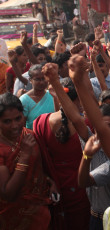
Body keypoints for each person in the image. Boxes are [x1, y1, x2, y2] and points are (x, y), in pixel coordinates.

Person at [34, 70, 91, 229]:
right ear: (79, 99)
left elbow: (39, 158)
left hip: (55, 187)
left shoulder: (41, 122)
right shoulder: (87, 125)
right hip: (83, 187)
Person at [0, 93, 57, 230]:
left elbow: (39, 168)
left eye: (18, 118)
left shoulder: (30, 136)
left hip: (39, 211)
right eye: (7, 121)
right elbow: (8, 193)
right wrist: (25, 155)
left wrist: (50, 182)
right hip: (12, 218)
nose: (14, 125)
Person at [19, 64, 56, 129]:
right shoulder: (24, 100)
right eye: (37, 79)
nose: (41, 82)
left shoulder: (52, 95)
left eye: (43, 78)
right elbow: (21, 125)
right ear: (30, 80)